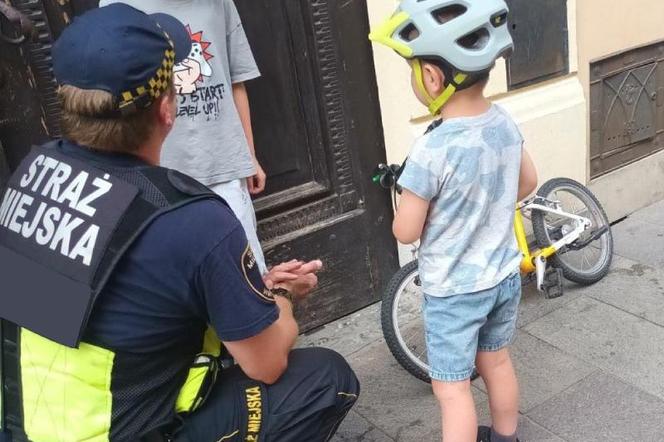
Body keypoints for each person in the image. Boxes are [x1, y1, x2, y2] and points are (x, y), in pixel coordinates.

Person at [0, 4, 358, 441]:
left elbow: (106, 303)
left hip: (30, 426)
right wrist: (280, 294)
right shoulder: (193, 220)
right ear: (168, 109)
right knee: (325, 379)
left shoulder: (35, 176)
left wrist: (236, 290)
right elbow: (266, 364)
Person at [370, 1, 538, 442]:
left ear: (432, 77)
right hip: (502, 276)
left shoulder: (432, 149)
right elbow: (529, 182)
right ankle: (506, 437)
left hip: (454, 291)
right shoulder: (504, 122)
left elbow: (405, 230)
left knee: (452, 389)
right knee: (497, 361)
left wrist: (403, 204)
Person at [99, 0, 269, 275]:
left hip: (223, 164)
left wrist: (248, 155)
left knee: (245, 271)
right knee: (180, 275)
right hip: (157, 174)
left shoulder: (218, 4)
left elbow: (236, 81)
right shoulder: (116, 6)